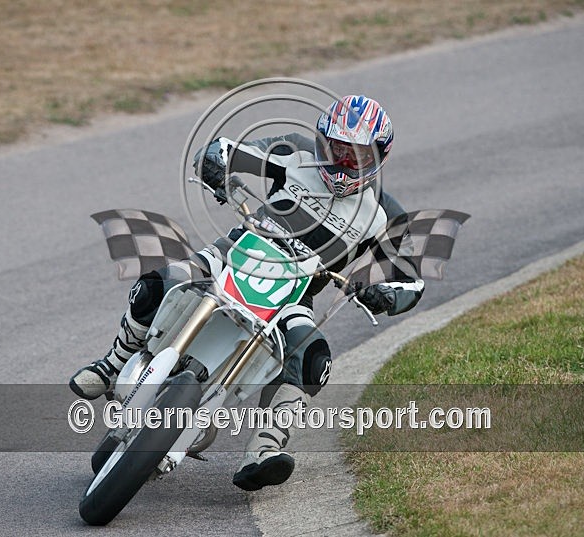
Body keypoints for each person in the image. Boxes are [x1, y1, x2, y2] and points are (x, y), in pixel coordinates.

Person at [70, 95, 425, 491]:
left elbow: (411, 278)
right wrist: (215, 164)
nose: (341, 163)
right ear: (320, 140)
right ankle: (112, 365)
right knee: (160, 280)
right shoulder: (294, 152)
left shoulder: (385, 214)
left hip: (294, 297)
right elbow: (227, 149)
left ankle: (266, 448)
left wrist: (385, 294)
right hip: (231, 255)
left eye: (353, 156)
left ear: (379, 157)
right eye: (335, 148)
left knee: (314, 357)